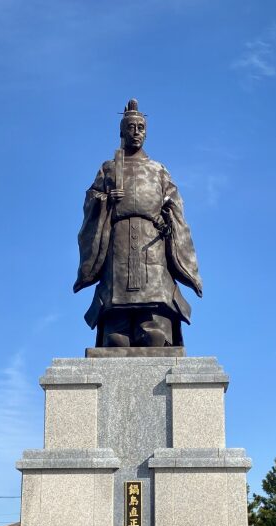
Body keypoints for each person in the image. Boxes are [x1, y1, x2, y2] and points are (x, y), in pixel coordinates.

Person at [73, 99, 203, 347]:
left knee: (154, 335)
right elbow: (91, 199)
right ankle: (117, 321)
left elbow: (175, 207)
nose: (136, 133)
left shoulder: (158, 170)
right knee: (116, 339)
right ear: (121, 131)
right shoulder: (109, 168)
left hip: (151, 242)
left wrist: (167, 221)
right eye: (131, 127)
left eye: (140, 128)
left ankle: (154, 321)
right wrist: (106, 200)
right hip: (118, 243)